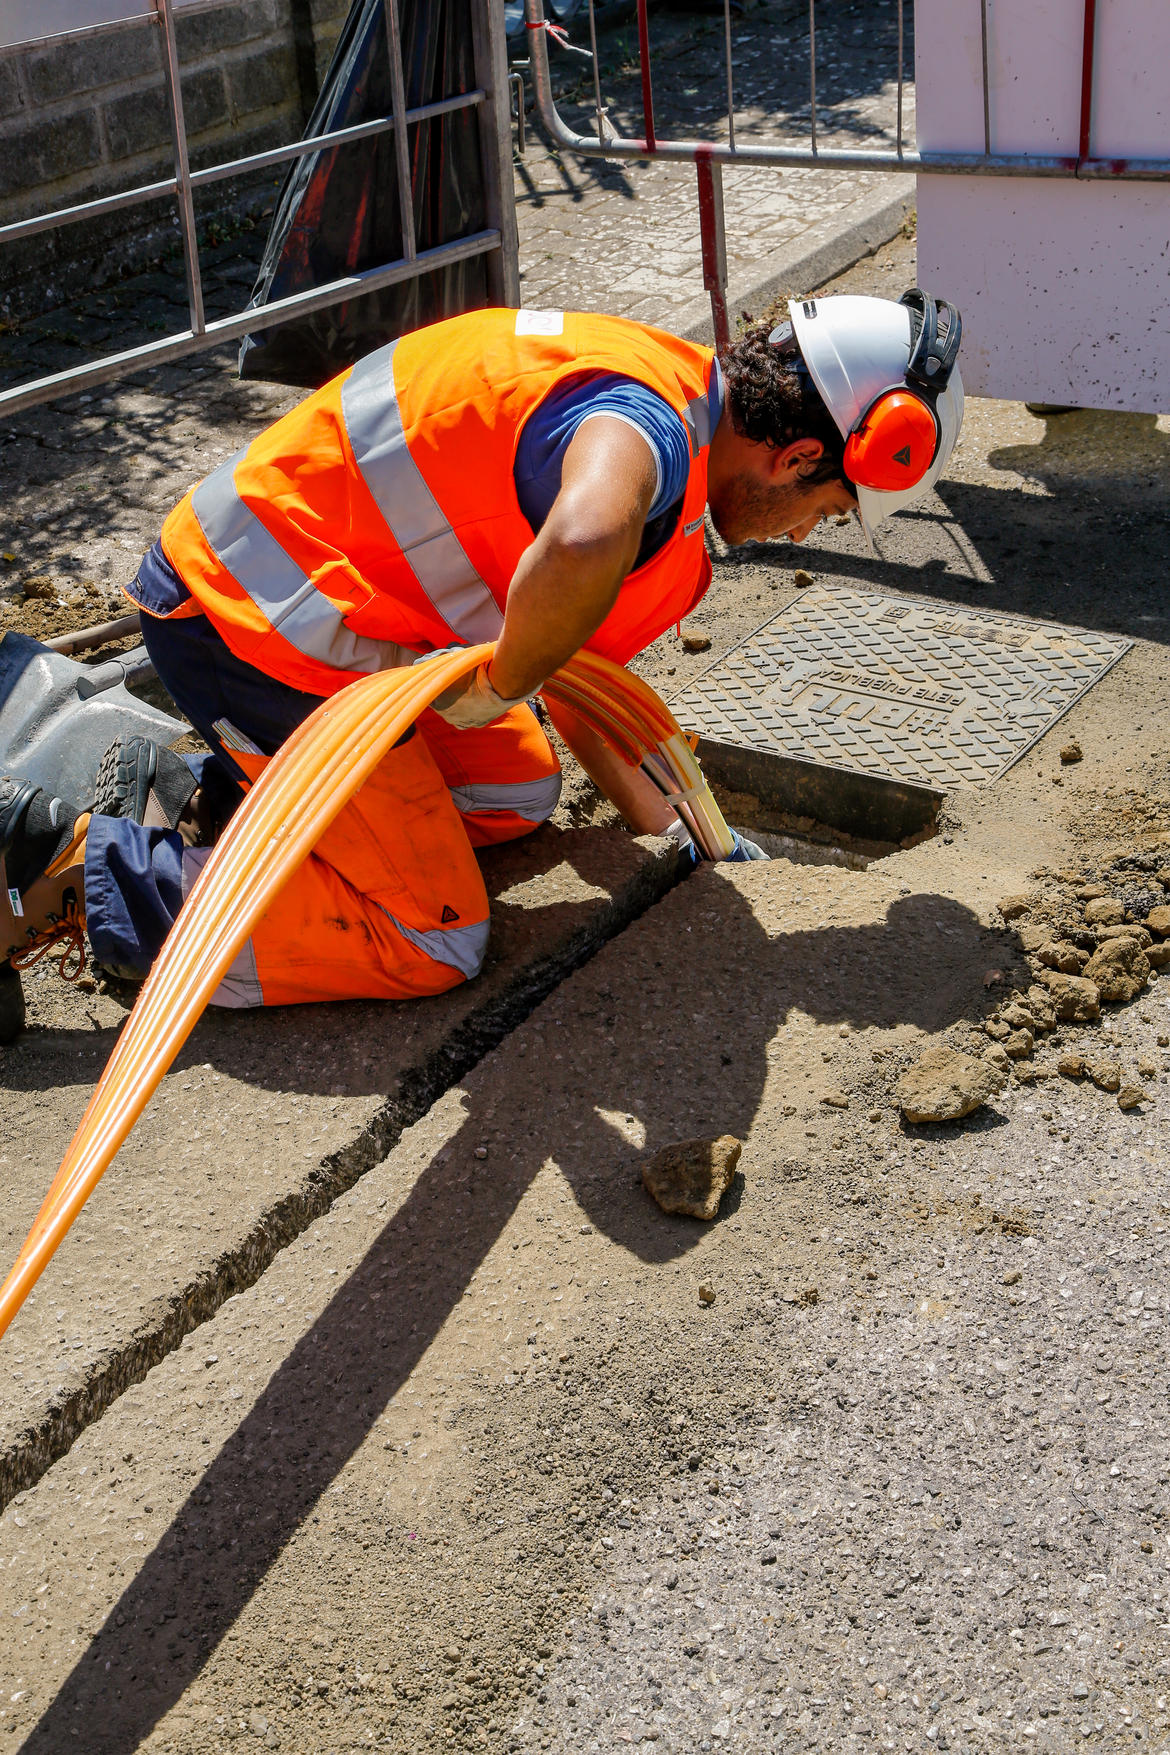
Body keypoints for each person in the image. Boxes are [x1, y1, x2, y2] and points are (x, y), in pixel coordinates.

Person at [0, 289, 962, 1020]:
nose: (805, 533)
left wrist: (685, 837)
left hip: (327, 619)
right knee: (431, 938)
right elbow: (583, 545)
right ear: (798, 457)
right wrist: (506, 680)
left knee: (515, 793)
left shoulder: (671, 390)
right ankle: (75, 867)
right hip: (247, 622)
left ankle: (239, 790)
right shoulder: (652, 433)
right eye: (830, 508)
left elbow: (587, 676)